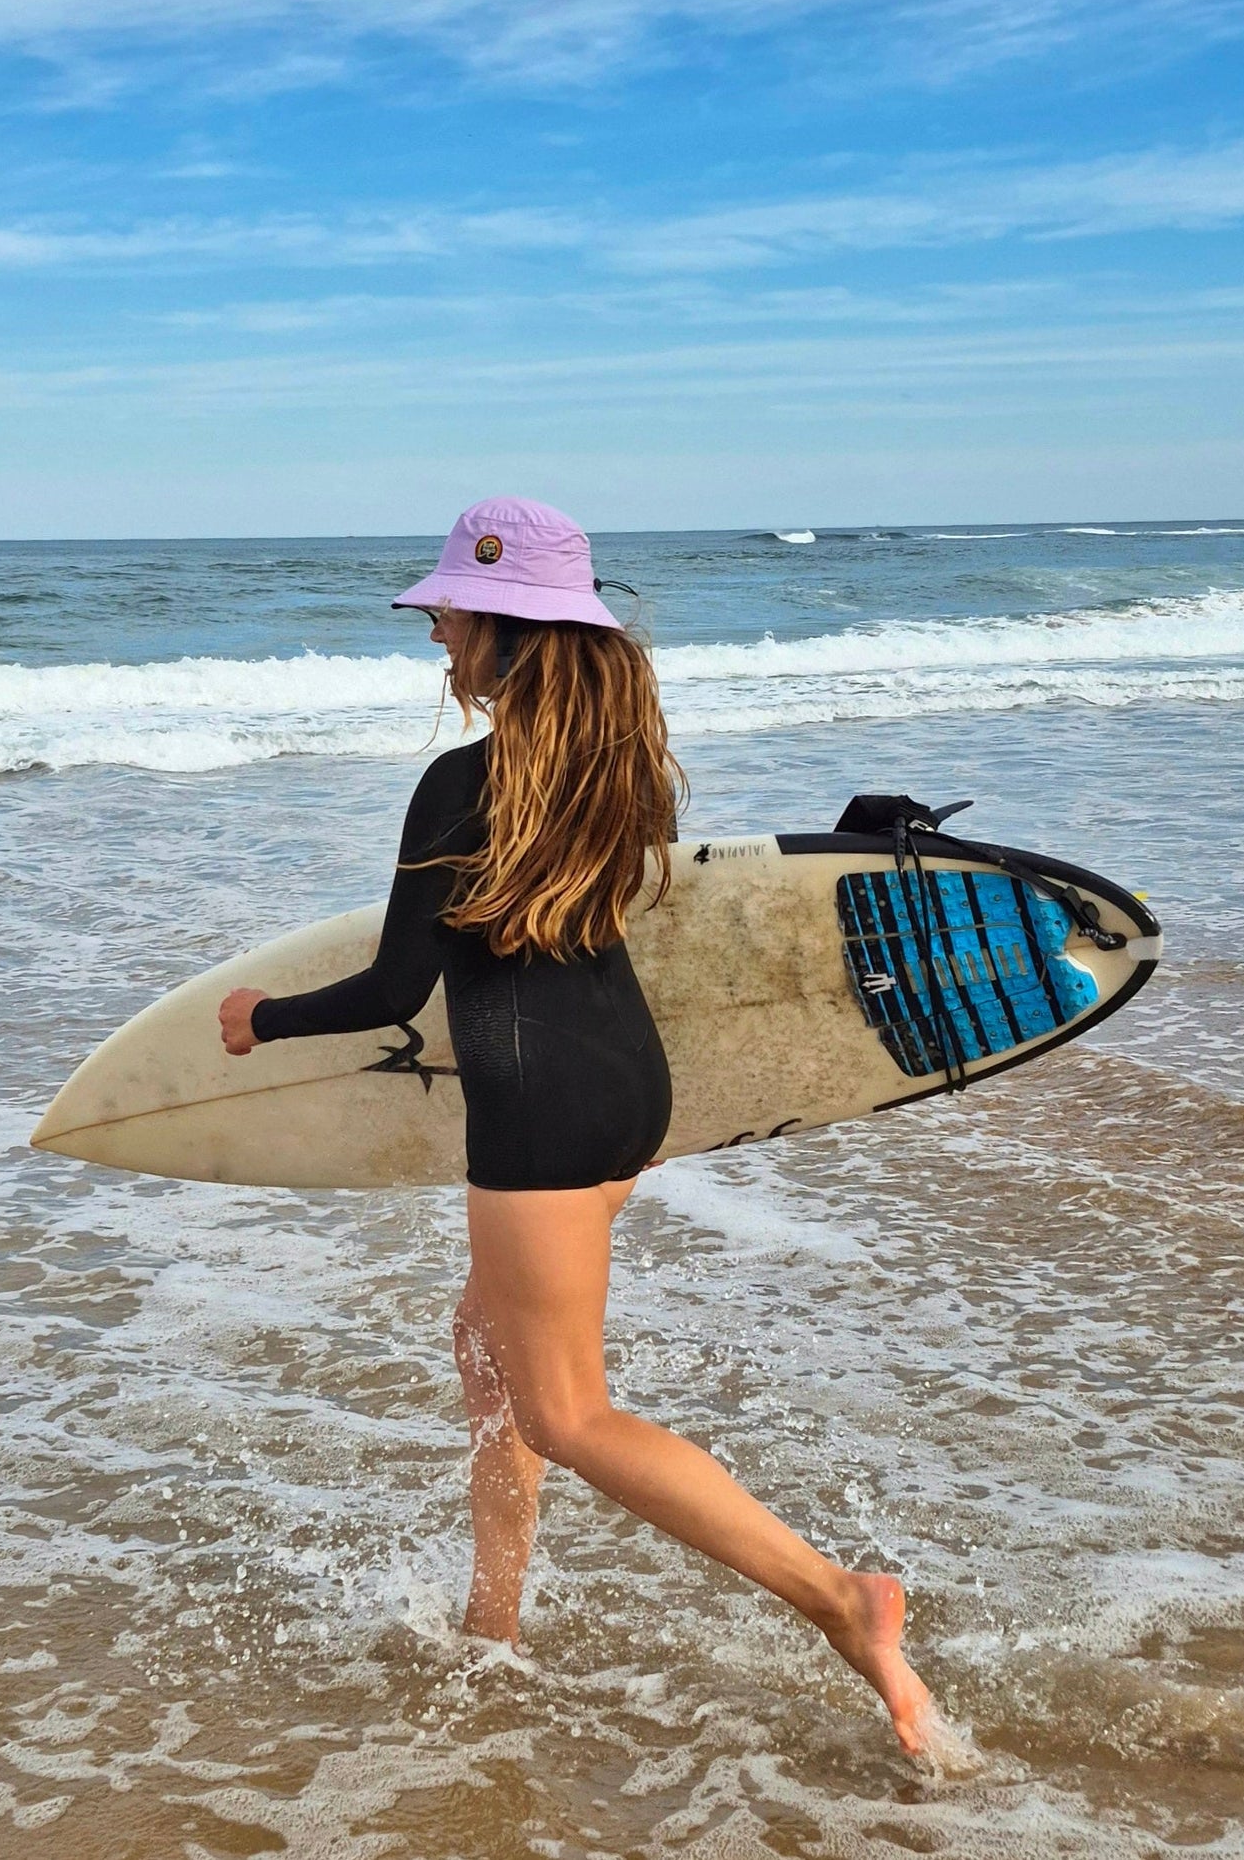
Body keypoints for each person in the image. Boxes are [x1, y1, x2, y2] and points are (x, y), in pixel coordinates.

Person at [217, 496, 932, 1756]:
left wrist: (257, 1018)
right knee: (486, 1351)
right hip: (628, 1093)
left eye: (448, 614)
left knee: (567, 1412)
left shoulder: (458, 787)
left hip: (539, 1122)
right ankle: (493, 1622)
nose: (435, 633)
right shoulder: (626, 774)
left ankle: (842, 1601)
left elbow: (395, 991)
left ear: (506, 630)